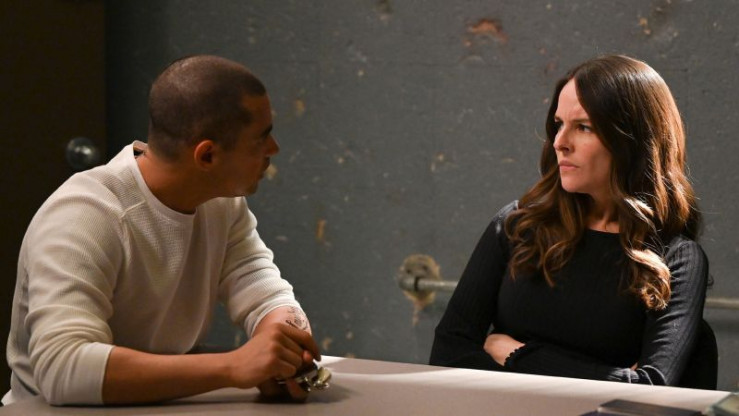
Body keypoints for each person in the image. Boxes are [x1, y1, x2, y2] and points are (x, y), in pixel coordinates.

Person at [3, 55, 321, 405]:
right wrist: (234, 366)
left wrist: (284, 348)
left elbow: (261, 287)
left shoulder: (220, 202)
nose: (274, 149)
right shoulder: (84, 216)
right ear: (207, 156)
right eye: (261, 139)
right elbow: (63, 368)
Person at [429, 54, 709, 386]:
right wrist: (612, 377)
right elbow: (449, 352)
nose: (560, 142)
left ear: (632, 140)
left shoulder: (677, 258)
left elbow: (651, 387)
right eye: (559, 124)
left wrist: (516, 354)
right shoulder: (517, 226)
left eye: (583, 127)